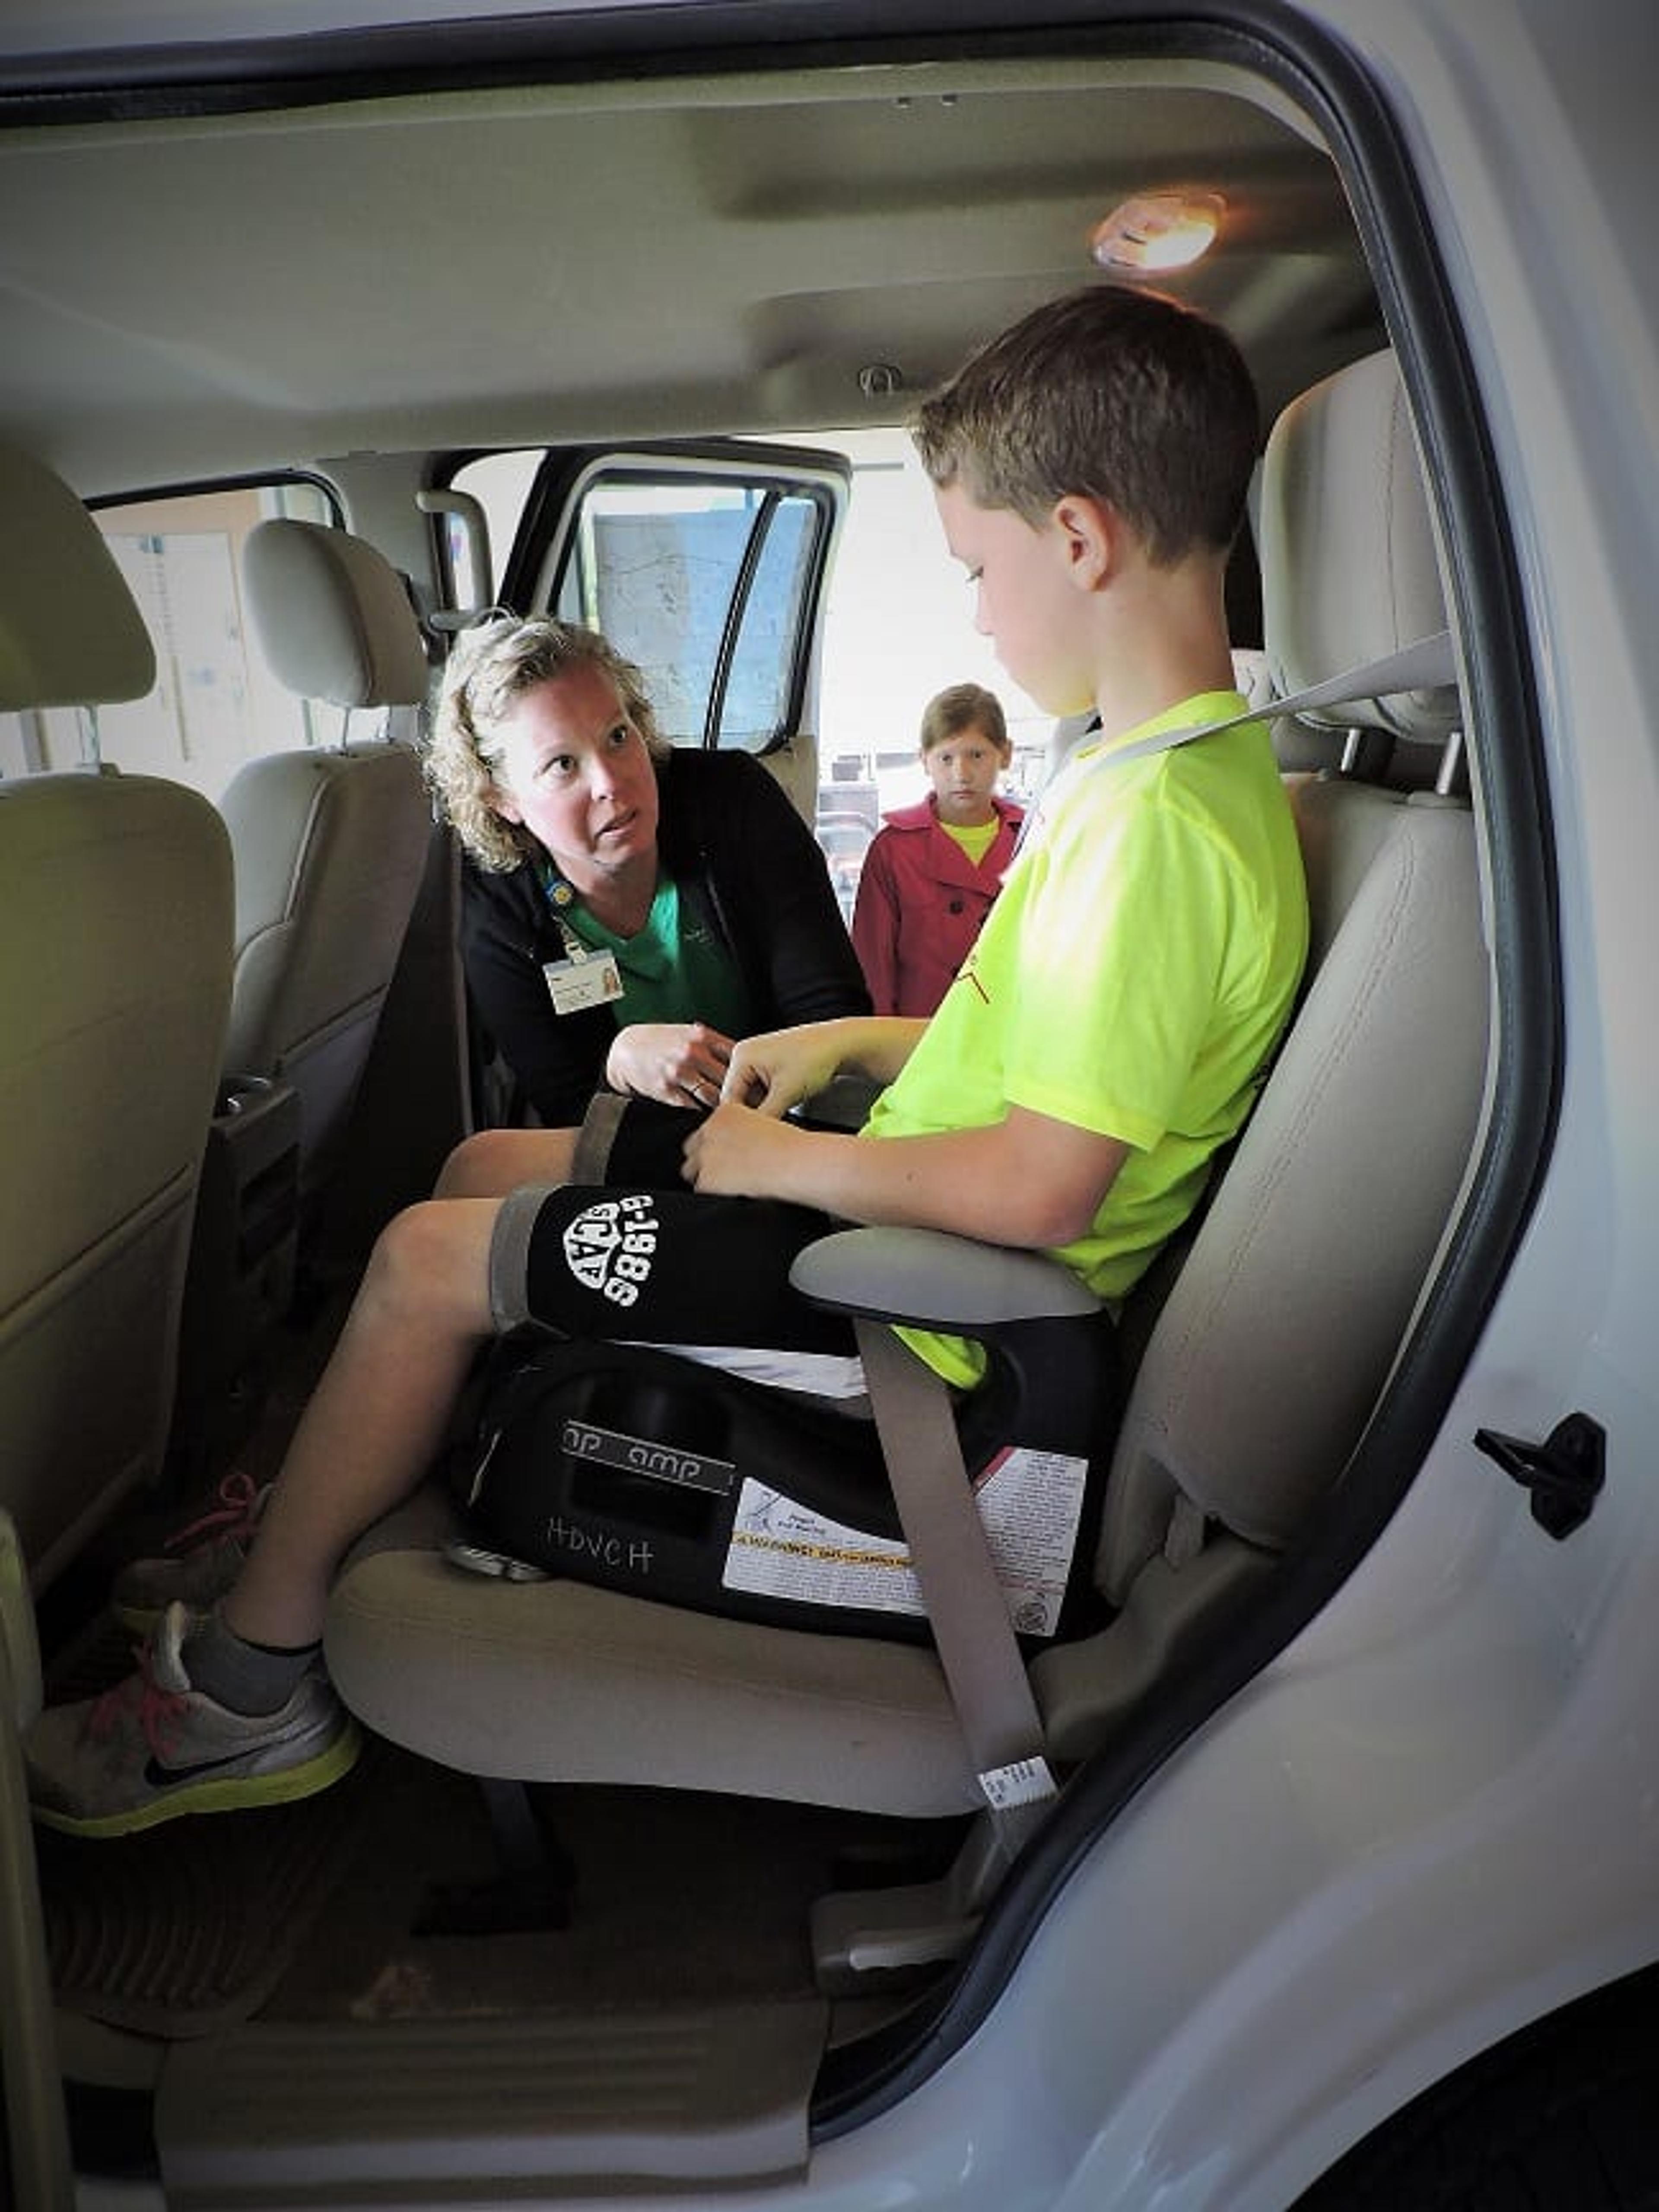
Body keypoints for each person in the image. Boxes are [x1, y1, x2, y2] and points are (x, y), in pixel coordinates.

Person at [26, 281, 1309, 1836]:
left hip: (921, 1313)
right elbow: (1049, 1039)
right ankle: (310, 1524)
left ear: (1084, 541)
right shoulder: (1151, 775)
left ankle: (247, 1687)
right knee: (488, 1172)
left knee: (431, 1259)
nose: (976, 609)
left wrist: (784, 1159)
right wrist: (841, 1039)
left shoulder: (1157, 827)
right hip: (882, 1220)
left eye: (978, 567)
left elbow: (1045, 1179)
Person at [432, 616, 869, 1135]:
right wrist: (614, 1065)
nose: (610, 782)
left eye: (618, 736)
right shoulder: (495, 907)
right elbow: (567, 1107)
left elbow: (831, 1022)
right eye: (562, 765)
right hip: (635, 1156)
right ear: (502, 799)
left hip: (790, 1129)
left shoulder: (734, 801)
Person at [851, 681, 1024, 1016]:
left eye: (976, 755)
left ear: (1005, 755)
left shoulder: (1033, 839)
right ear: (924, 761)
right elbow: (873, 965)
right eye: (946, 758)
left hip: (1013, 1030)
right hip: (918, 1041)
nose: (961, 774)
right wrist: (875, 1050)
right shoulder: (893, 850)